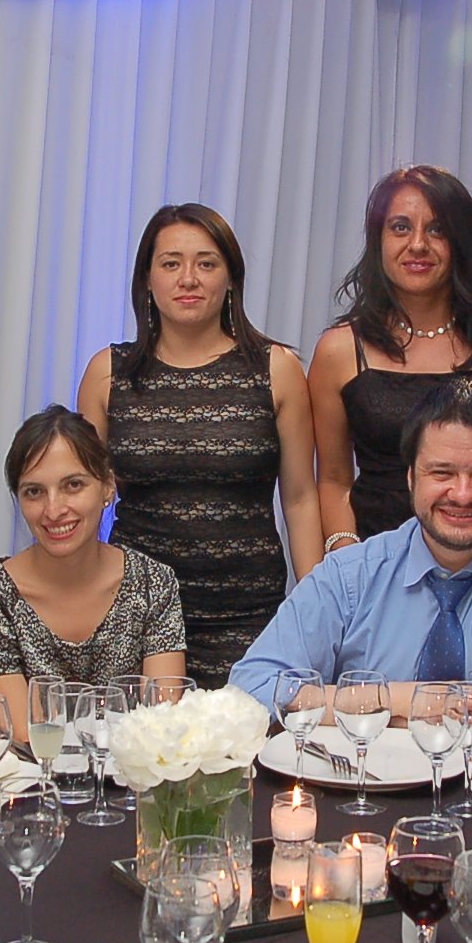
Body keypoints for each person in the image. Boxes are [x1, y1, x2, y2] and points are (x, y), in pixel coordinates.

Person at [231, 379, 472, 761]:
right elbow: (250, 690)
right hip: (359, 789)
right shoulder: (350, 575)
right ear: (411, 478)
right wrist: (401, 699)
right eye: (442, 473)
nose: (463, 494)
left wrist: (368, 716)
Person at [79, 204, 319, 688]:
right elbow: (83, 497)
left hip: (248, 618)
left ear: (230, 279)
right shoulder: (108, 373)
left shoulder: (277, 369)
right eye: (171, 263)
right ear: (147, 280)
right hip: (137, 615)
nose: (188, 278)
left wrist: (316, 614)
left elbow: (300, 499)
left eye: (206, 263)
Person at [307, 166, 472, 547]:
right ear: (378, 241)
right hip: (378, 567)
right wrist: (349, 564)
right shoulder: (339, 351)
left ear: (461, 241)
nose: (418, 244)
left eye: (437, 229)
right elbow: (334, 481)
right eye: (400, 228)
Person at [0, 407, 188, 739]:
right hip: (31, 770)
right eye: (34, 492)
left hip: (133, 769)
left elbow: (163, 719)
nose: (54, 510)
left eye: (73, 485)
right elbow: (23, 733)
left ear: (108, 487)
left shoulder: (153, 583)